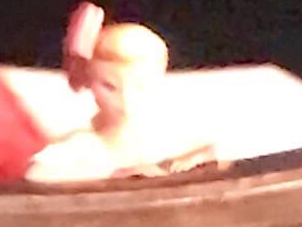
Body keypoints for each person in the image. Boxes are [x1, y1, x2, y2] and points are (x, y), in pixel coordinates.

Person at [23, 17, 218, 182]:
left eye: (140, 86)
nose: (126, 100)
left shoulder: (171, 136)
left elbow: (213, 155)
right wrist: (110, 176)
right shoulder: (80, 148)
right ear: (90, 81)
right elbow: (36, 176)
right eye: (109, 87)